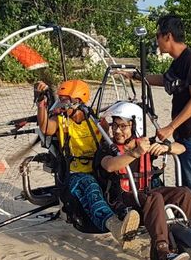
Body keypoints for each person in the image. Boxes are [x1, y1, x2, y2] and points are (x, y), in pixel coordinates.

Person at [118, 14, 191, 250]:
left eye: (158, 37)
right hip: (185, 138)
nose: (156, 42)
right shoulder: (178, 62)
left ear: (167, 36)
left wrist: (170, 127)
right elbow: (165, 80)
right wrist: (135, 76)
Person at [96, 102, 191, 260]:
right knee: (155, 198)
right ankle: (163, 251)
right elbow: (110, 166)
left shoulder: (145, 143)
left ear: (135, 126)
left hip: (145, 194)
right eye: (114, 125)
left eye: (123, 126)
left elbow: (182, 148)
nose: (117, 131)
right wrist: (134, 153)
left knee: (183, 193)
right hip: (123, 199)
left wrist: (166, 147)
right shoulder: (107, 148)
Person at [35, 79, 139, 248]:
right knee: (89, 185)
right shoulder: (61, 120)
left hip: (99, 168)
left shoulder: (96, 120)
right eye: (61, 99)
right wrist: (41, 104)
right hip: (75, 174)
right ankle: (115, 227)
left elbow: (113, 137)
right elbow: (46, 127)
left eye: (66, 100)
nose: (62, 104)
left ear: (79, 100)